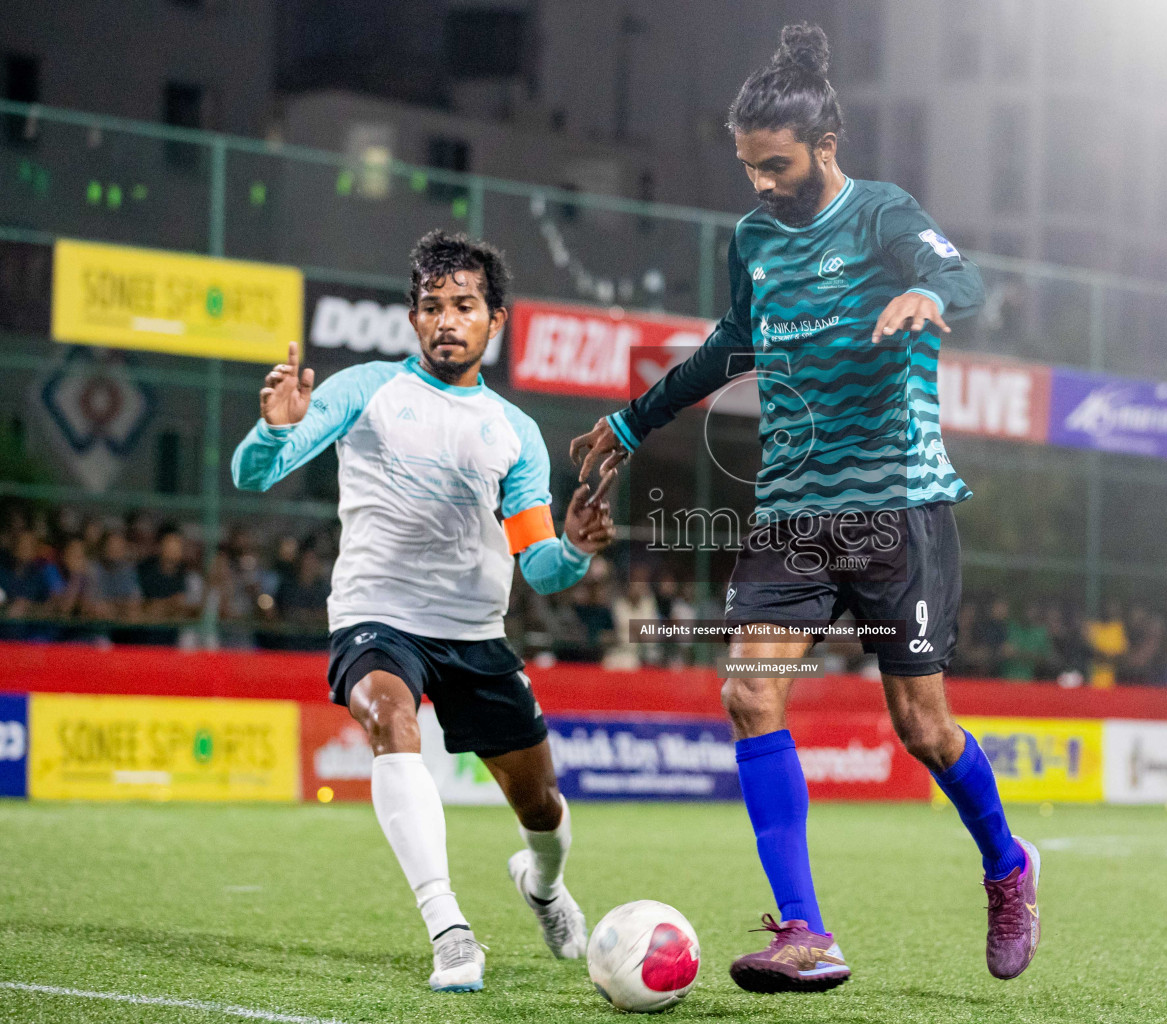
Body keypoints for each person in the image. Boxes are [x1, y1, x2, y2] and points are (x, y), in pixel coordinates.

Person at [570, 24, 1040, 992]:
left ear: (825, 148)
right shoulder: (752, 238)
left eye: (775, 165)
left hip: (898, 505)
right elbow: (728, 347)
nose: (761, 185)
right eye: (748, 167)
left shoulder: (882, 215)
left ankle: (1006, 863)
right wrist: (627, 424)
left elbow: (965, 277)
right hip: (791, 512)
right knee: (747, 692)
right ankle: (806, 931)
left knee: (922, 726)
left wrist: (925, 298)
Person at [232, 231, 618, 993]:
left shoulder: (517, 433)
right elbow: (255, 474)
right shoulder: (361, 389)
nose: (447, 320)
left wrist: (573, 546)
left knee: (540, 806)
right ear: (413, 319)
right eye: (432, 306)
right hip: (376, 617)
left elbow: (537, 566)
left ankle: (541, 886)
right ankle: (449, 930)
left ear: (494, 319)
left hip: (475, 635)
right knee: (389, 717)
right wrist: (274, 426)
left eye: (463, 306)